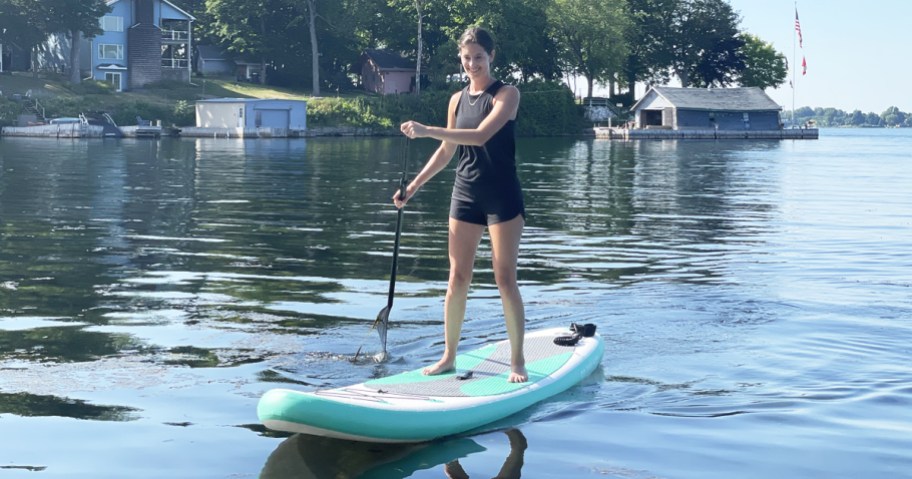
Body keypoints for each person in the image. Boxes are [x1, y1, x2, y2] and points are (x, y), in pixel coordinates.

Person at [395, 26, 527, 383]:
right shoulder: (456, 100)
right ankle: (449, 356)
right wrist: (414, 186)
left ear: (491, 56)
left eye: (479, 57)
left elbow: (481, 135)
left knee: (504, 279)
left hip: (502, 196)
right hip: (465, 193)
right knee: (457, 277)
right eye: (466, 58)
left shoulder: (507, 95)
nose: (472, 64)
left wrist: (428, 129)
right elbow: (447, 151)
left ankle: (517, 361)